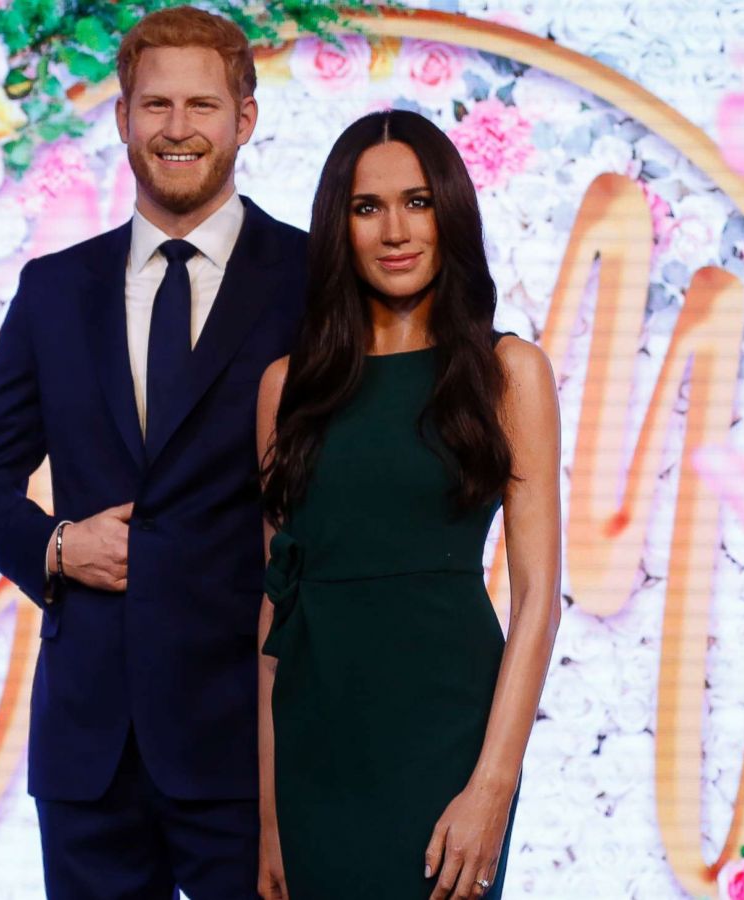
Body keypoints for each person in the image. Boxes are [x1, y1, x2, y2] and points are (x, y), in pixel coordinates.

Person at [0, 7, 307, 897]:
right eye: (155, 106)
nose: (177, 128)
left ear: (244, 120)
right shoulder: (55, 290)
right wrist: (58, 547)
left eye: (201, 106)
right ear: (122, 119)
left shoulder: (315, 279)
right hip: (89, 747)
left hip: (252, 743)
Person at [255, 109, 562, 899]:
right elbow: (273, 613)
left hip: (449, 741)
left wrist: (493, 785)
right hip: (315, 752)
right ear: (339, 226)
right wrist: (269, 818)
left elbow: (535, 600)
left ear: (450, 212)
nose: (395, 229)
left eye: (418, 202)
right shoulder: (286, 389)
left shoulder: (509, 372)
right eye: (367, 207)